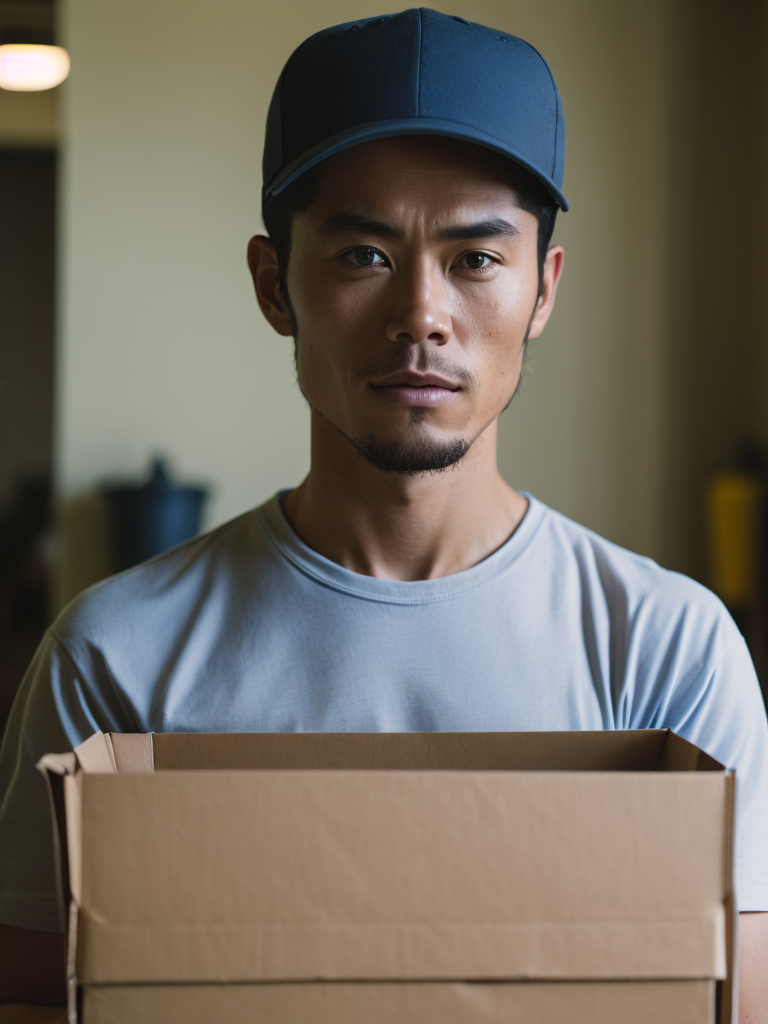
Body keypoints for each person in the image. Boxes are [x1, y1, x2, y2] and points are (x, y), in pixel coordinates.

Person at [1, 8, 767, 1017]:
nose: (421, 314)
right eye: (363, 255)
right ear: (276, 286)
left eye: (476, 258)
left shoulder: (668, 655)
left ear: (544, 288)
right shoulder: (117, 659)